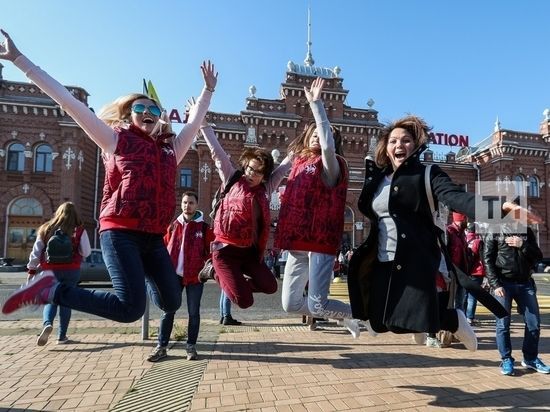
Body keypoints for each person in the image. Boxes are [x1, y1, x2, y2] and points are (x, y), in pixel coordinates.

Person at [0, 30, 217, 324]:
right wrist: (18, 59)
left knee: (171, 300)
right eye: (140, 108)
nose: (147, 111)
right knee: (130, 309)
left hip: (153, 236)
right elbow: (68, 102)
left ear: (160, 117)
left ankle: (143, 273)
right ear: (129, 115)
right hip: (120, 231)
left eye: (153, 108)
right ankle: (51, 290)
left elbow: (192, 125)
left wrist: (208, 91)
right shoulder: (114, 139)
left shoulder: (170, 151)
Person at [347, 115, 541, 351]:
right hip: (380, 259)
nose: (399, 145)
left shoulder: (428, 174)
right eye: (393, 141)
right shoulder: (377, 179)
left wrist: (500, 209)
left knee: (408, 320)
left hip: (413, 259)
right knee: (378, 324)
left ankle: (453, 320)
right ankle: (426, 324)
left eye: (406, 140)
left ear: (416, 145)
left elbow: (458, 198)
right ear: (385, 147)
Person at [274, 77, 361, 339]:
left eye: (322, 134)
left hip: (319, 243)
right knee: (290, 305)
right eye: (312, 133)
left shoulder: (331, 164)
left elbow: (326, 145)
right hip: (296, 242)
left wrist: (317, 105)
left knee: (317, 304)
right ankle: (341, 315)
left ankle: (357, 313)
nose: (317, 137)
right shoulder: (298, 163)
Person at [199, 118, 291, 309]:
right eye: (250, 168)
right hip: (225, 251)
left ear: (265, 176)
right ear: (245, 165)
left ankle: (236, 282)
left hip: (249, 254)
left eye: (258, 172)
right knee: (244, 301)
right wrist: (203, 125)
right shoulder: (232, 178)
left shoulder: (266, 189)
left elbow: (284, 169)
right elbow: (217, 153)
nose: (252, 174)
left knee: (270, 286)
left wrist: (300, 150)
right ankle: (213, 271)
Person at [147, 192, 213, 362]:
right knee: (168, 311)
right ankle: (161, 347)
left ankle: (191, 346)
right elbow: (161, 247)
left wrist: (206, 268)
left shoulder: (204, 228)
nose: (187, 206)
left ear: (196, 205)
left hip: (195, 277)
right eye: (184, 202)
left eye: (191, 203)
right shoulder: (173, 226)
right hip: (173, 276)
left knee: (193, 313)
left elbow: (212, 252)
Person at [483, 223, 549, 375]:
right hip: (503, 284)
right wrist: (495, 284)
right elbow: (487, 259)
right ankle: (506, 359)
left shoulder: (526, 230)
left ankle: (530, 358)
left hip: (525, 283)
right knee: (503, 324)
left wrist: (522, 245)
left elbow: (538, 255)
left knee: (534, 323)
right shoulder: (494, 230)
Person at [27, 202, 91, 345]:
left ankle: (47, 324)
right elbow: (86, 252)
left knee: (51, 299)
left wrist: (31, 270)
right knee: (66, 302)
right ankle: (62, 337)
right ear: (75, 215)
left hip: (49, 270)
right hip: (72, 270)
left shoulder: (46, 229)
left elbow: (36, 252)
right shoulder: (79, 230)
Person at [446, 211, 470, 311]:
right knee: (450, 302)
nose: (467, 222)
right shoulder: (449, 231)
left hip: (462, 272)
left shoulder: (461, 233)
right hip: (452, 272)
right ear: (461, 219)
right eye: (465, 219)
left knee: (461, 301)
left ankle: (460, 323)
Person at [465, 222, 486, 325]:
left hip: (465, 271)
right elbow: (483, 258)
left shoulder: (464, 239)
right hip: (476, 272)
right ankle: (470, 317)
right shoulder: (478, 241)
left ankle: (464, 316)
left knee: (464, 295)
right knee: (473, 296)